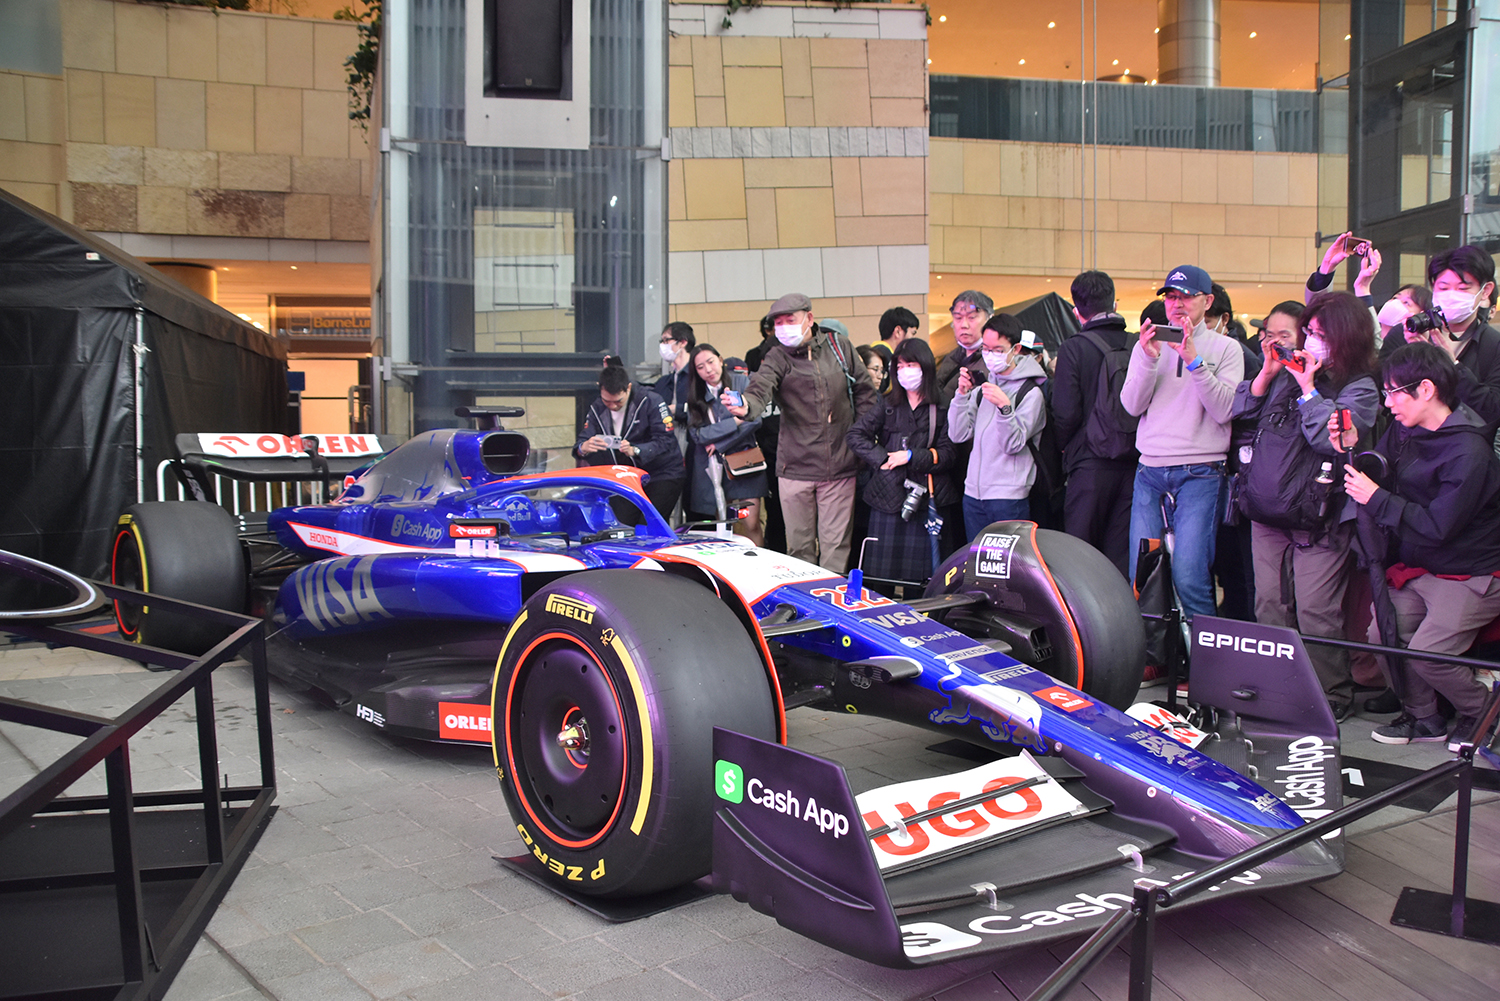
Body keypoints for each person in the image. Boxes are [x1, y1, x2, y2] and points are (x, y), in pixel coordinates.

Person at [1333, 342, 1500, 748]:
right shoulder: (1406, 431)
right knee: (1381, 635)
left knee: (1428, 651)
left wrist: (1375, 498)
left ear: (1425, 389)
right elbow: (1380, 468)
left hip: (1472, 573)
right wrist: (1353, 444)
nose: (1388, 403)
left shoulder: (1470, 451)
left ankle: (1483, 712)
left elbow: (1439, 525)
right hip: (1421, 566)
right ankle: (1424, 717)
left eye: (1393, 392)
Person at [1233, 294, 1379, 721]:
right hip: (1267, 508)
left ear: (1343, 338)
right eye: (1309, 332)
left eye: (1318, 334)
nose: (1309, 341)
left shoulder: (1361, 387)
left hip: (1322, 515)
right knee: (1269, 604)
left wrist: (1309, 389)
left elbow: (1330, 440)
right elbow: (1241, 414)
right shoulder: (1284, 374)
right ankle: (1277, 687)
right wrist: (1269, 372)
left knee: (1317, 611)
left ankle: (1330, 695)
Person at [1122, 265, 1244, 620]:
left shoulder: (1226, 348)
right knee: (1141, 575)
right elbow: (1131, 406)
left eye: (1187, 296)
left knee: (1190, 575)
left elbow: (1224, 410)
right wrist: (1147, 356)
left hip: (1202, 471)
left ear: (1207, 301)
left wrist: (1193, 359)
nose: (1177, 304)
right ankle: (1153, 658)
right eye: (1171, 296)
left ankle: (1205, 664)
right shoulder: (1148, 345)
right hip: (1150, 468)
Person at [726, 292, 878, 572]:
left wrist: (861, 439)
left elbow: (865, 393)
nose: (784, 327)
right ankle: (804, 605)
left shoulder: (839, 346)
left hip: (840, 466)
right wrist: (745, 404)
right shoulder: (777, 355)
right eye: (778, 322)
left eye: (790, 320)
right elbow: (760, 388)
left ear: (809, 318)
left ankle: (832, 602)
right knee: (799, 548)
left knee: (836, 547)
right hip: (795, 467)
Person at [846, 339, 958, 591]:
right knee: (879, 580)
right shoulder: (886, 404)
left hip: (928, 496)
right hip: (887, 498)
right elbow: (855, 435)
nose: (905, 370)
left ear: (926, 366)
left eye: (911, 364)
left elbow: (949, 454)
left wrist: (910, 456)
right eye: (900, 365)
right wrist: (882, 458)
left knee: (923, 582)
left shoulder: (944, 404)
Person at [1053, 270, 1135, 576]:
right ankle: (1120, 621)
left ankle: (1083, 624)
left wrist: (1065, 450)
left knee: (1080, 555)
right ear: (1115, 302)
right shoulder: (1136, 343)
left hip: (1088, 463)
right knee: (1121, 555)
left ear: (1077, 312)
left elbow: (1065, 412)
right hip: (1133, 461)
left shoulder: (1074, 347)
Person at [947, 321, 1049, 541]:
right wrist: (962, 395)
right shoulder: (984, 388)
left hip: (1008, 495)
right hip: (973, 492)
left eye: (998, 350)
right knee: (977, 564)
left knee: (1007, 566)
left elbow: (1012, 444)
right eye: (986, 349)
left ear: (1016, 349)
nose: (990, 355)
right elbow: (957, 434)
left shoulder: (1030, 393)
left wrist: (1005, 409)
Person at [575, 360, 684, 519]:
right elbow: (581, 441)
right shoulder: (597, 407)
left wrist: (637, 450)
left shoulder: (652, 401)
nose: (612, 406)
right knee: (623, 524)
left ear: (629, 388)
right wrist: (583, 448)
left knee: (648, 525)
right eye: (607, 401)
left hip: (662, 474)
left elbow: (665, 440)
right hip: (626, 477)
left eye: (618, 401)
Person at [683, 344, 766, 545]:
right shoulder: (696, 394)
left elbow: (754, 419)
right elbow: (699, 435)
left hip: (744, 462)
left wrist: (721, 444)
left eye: (710, 362)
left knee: (751, 524)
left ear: (720, 360)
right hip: (712, 467)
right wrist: (735, 422)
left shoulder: (740, 381)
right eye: (701, 367)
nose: (708, 370)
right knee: (721, 524)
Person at [937, 290, 992, 405]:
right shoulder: (949, 358)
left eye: (971, 318)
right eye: (958, 318)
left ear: (989, 319)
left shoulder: (995, 360)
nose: (964, 325)